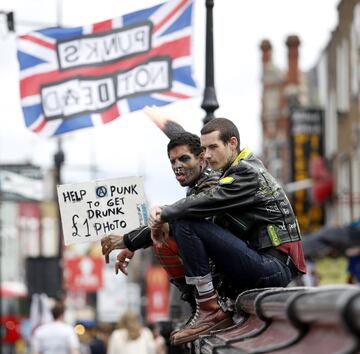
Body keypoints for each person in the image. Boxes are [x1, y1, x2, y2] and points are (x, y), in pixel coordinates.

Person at [148, 118, 307, 345]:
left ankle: (209, 308)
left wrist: (162, 213)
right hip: (266, 263)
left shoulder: (247, 173)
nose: (208, 155)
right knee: (186, 222)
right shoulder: (235, 171)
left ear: (232, 143)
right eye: (204, 149)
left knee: (185, 222)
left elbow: (203, 201)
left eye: (213, 147)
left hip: (275, 267)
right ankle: (210, 306)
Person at [101, 132, 224, 311]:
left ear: (201, 158)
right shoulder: (198, 184)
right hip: (221, 261)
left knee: (179, 225)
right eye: (173, 161)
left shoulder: (212, 182)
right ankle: (196, 301)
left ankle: (204, 304)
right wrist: (131, 244)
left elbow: (182, 215)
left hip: (241, 265)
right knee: (163, 237)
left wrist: (128, 241)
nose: (177, 166)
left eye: (183, 159)